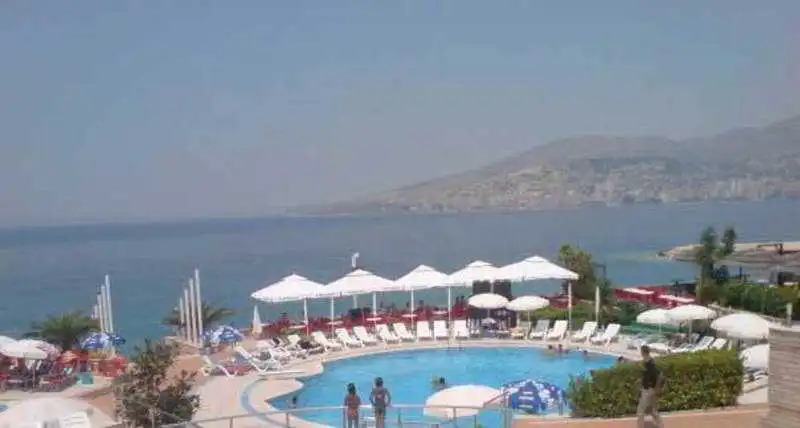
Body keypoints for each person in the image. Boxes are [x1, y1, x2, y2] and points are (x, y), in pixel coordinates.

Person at [637, 345, 665, 428]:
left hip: (648, 390)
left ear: (642, 352)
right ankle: (661, 426)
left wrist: (657, 388)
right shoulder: (647, 362)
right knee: (652, 410)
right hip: (648, 389)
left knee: (640, 411)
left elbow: (660, 376)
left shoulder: (650, 364)